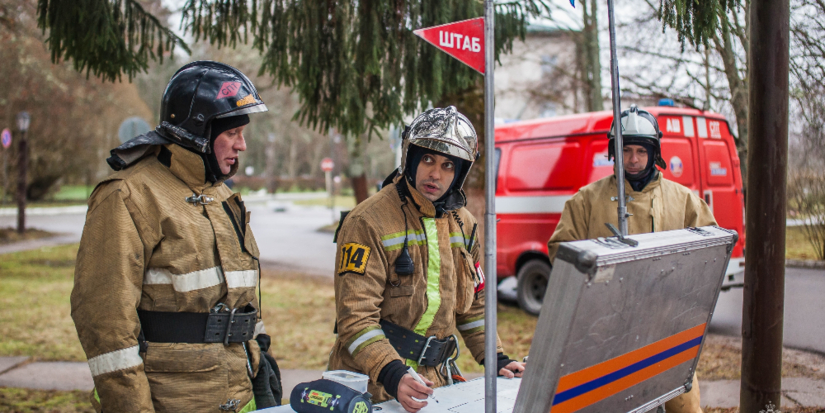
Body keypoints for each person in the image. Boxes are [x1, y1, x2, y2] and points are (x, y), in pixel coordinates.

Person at [71, 61, 281, 413]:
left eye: (242, 133)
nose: (242, 145)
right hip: (171, 400)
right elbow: (105, 322)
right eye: (232, 133)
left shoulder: (222, 196)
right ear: (198, 133)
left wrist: (260, 354)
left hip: (239, 392)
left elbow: (241, 296)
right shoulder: (127, 195)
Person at [328, 106, 525, 413]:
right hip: (372, 385)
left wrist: (495, 358)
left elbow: (473, 306)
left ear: (459, 173)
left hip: (436, 383)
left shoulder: (464, 223)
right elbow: (355, 317)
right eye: (428, 159)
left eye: (448, 165)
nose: (436, 174)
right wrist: (392, 374)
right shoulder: (367, 221)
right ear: (411, 159)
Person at [546, 104, 716, 413]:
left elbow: (709, 255)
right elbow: (561, 252)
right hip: (605, 333)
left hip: (667, 330)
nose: (633, 159)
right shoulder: (585, 201)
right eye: (625, 150)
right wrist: (596, 270)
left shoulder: (685, 201)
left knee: (685, 407)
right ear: (614, 152)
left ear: (654, 153)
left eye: (640, 151)